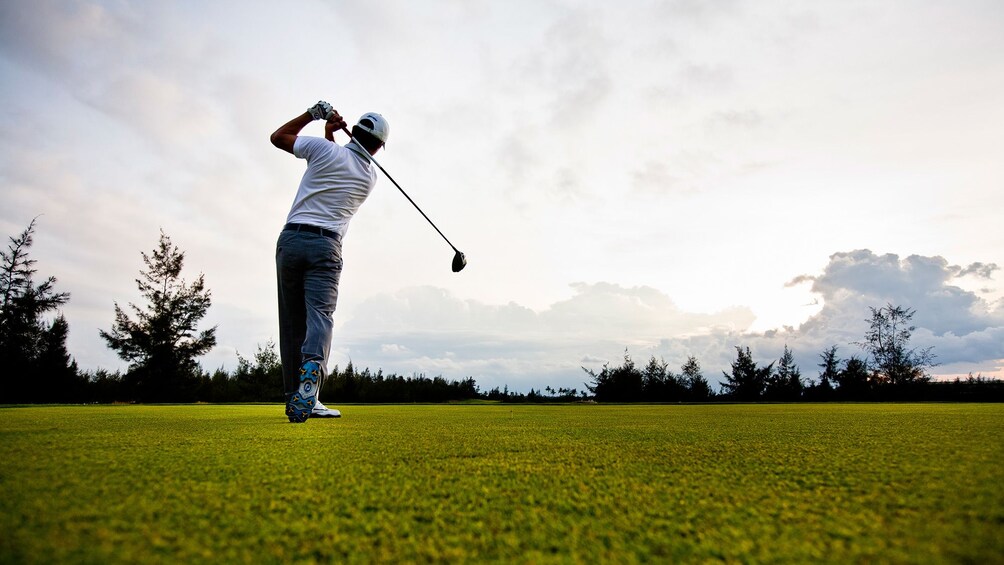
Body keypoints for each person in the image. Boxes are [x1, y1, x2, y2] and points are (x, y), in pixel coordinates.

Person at [269, 101, 389, 423]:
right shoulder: (369, 178)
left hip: (291, 240)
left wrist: (314, 116)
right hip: (326, 247)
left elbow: (278, 137)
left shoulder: (323, 151)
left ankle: (295, 395)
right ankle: (312, 383)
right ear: (378, 147)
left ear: (356, 131)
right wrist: (328, 133)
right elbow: (340, 164)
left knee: (292, 323)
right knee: (319, 317)